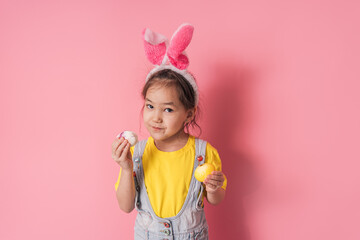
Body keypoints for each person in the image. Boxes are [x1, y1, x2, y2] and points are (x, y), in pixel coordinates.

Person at [111, 23, 227, 240]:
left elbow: (216, 199)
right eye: (150, 106)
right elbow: (126, 206)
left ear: (189, 115)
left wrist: (213, 188)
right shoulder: (136, 153)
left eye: (168, 109)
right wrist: (126, 168)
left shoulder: (203, 153)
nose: (156, 117)